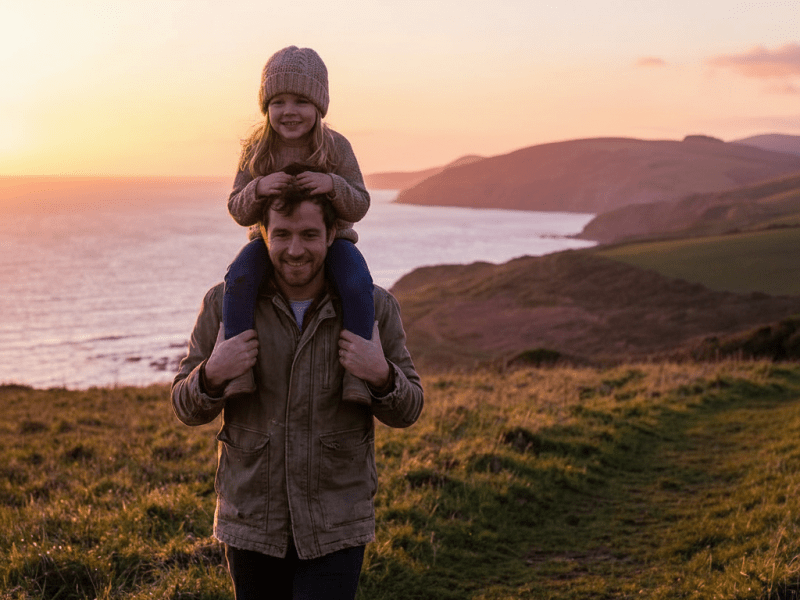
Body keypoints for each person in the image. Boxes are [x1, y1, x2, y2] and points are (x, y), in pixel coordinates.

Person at [171, 177, 424, 600]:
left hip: (336, 523)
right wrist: (213, 372)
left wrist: (381, 374)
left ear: (331, 236)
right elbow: (184, 406)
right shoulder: (224, 304)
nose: (295, 249)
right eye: (282, 235)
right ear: (264, 235)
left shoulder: (375, 307)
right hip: (251, 522)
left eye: (309, 235)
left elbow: (410, 409)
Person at [223, 45, 373, 404]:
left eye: (301, 101)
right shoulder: (256, 151)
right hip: (269, 243)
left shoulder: (335, 147)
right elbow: (237, 209)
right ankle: (238, 370)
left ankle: (358, 376)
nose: (289, 111)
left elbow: (360, 203)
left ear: (319, 106)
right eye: (278, 102)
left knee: (356, 282)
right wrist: (258, 188)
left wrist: (333, 186)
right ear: (266, 107)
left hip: (333, 242)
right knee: (238, 278)